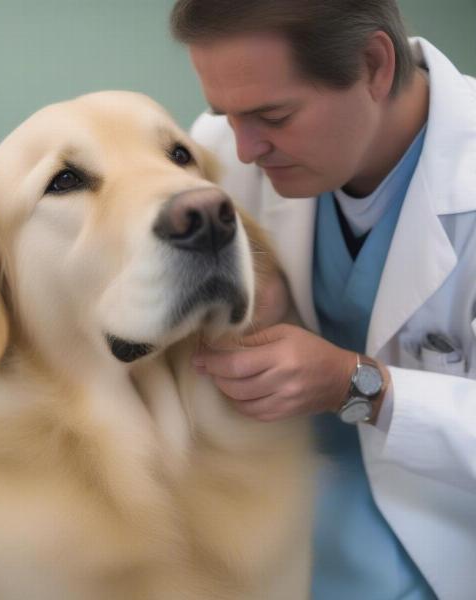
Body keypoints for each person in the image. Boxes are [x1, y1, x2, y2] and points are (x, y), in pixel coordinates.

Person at [170, 1, 476, 599]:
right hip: (279, 515)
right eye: (223, 114)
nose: (245, 149)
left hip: (443, 543)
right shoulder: (225, 145)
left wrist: (357, 386)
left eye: (273, 116)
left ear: (372, 65)